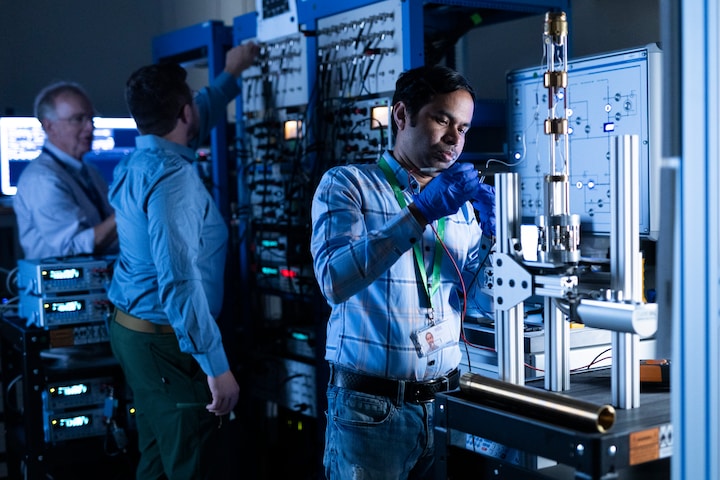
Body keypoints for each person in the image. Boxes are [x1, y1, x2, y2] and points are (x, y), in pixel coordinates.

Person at [310, 64, 496, 479]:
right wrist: (419, 212)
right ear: (401, 116)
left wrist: (492, 244)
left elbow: (477, 302)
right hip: (372, 411)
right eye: (442, 120)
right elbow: (334, 281)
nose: (454, 139)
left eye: (463, 128)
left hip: (445, 403)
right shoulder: (348, 184)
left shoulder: (461, 206)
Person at [107, 41, 259, 479]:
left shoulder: (142, 158)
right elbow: (179, 280)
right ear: (183, 112)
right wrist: (217, 367)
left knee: (157, 456)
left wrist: (231, 76)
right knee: (193, 460)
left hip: (134, 333)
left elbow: (192, 115)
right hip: (166, 344)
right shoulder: (173, 180)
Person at [13, 81, 118, 259]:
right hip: (68, 283)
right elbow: (73, 247)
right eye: (78, 119)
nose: (90, 127)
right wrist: (130, 208)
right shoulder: (42, 179)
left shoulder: (90, 172)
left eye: (91, 118)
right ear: (49, 126)